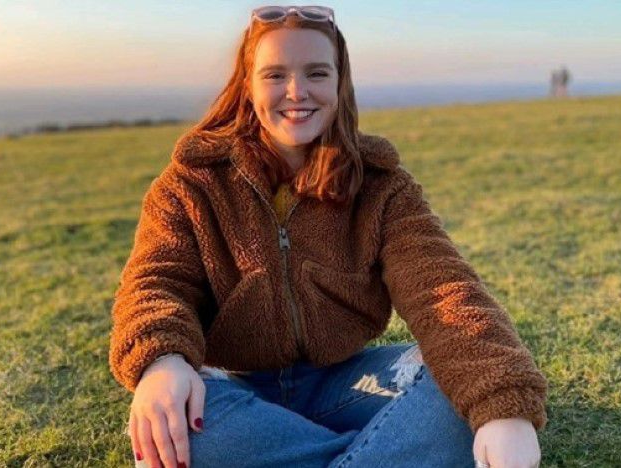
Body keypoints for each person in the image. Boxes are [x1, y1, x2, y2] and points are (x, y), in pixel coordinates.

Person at [108, 5, 548, 468]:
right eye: (275, 74)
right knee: (177, 420)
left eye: (316, 72)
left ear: (340, 82)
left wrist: (504, 410)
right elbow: (156, 284)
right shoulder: (190, 184)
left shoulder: (381, 185)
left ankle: (297, 450)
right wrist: (162, 362)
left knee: (462, 392)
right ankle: (378, 450)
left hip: (344, 382)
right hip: (232, 388)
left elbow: (443, 291)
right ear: (248, 84)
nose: (296, 91)